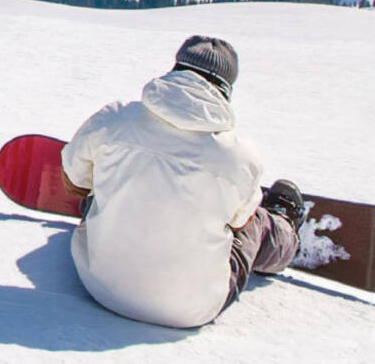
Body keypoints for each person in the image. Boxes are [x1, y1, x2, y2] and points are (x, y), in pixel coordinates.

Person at [60, 35, 305, 328]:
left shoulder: (113, 118)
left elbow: (74, 183)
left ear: (175, 69)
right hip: (189, 309)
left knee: (101, 188)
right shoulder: (240, 158)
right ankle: (284, 232)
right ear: (225, 90)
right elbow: (240, 224)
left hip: (99, 285)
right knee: (257, 222)